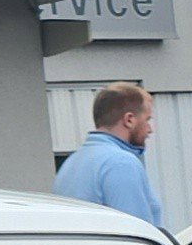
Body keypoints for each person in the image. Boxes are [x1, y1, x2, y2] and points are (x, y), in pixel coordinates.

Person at [54, 81, 164, 226]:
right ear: (129, 120)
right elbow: (136, 232)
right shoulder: (120, 163)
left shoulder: (72, 162)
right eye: (147, 120)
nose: (150, 129)